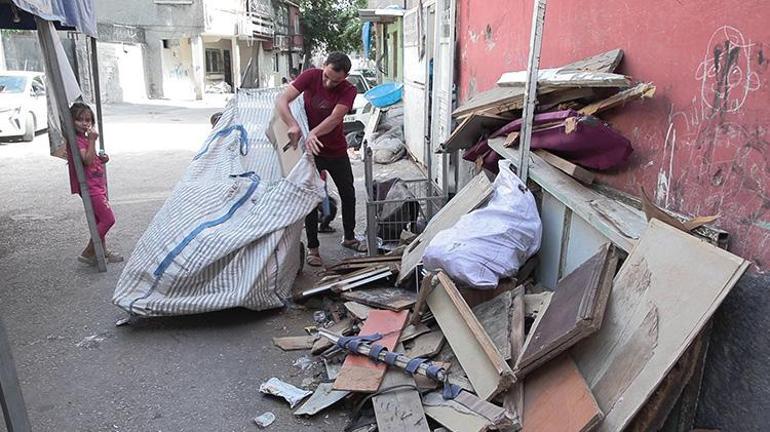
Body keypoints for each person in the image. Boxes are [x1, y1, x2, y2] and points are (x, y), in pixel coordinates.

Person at [275, 52, 363, 267]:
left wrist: (313, 133)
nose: (328, 83)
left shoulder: (349, 90)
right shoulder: (310, 76)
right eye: (326, 76)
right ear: (323, 66)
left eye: (336, 81)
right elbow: (282, 100)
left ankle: (349, 237)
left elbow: (335, 118)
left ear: (345, 77)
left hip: (336, 150)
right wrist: (293, 124)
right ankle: (313, 249)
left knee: (348, 193)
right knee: (311, 198)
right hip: (311, 151)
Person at [66, 102, 123, 266]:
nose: (84, 123)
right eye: (80, 120)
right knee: (108, 219)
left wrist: (102, 158)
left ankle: (101, 251)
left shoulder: (84, 139)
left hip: (97, 185)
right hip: (90, 188)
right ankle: (90, 250)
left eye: (88, 120)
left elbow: (92, 159)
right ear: (71, 121)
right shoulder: (77, 141)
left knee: (100, 221)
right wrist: (92, 140)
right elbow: (87, 160)